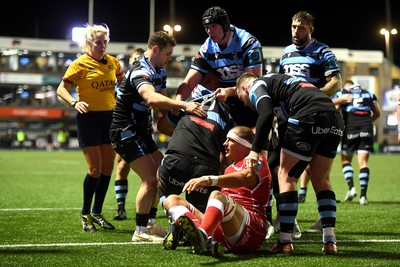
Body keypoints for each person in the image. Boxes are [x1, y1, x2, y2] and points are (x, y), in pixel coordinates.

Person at [109, 31, 207, 242]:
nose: (170, 58)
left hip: (141, 130)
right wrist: (184, 104)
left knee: (161, 174)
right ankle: (140, 231)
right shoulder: (140, 70)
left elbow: (163, 105)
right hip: (125, 130)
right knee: (150, 179)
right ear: (155, 50)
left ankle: (150, 224)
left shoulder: (159, 70)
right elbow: (151, 98)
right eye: (168, 53)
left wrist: (183, 117)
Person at [236, 72, 343, 255]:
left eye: (242, 98)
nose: (246, 104)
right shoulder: (284, 88)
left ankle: (285, 241)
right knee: (321, 179)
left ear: (245, 88)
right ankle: (330, 241)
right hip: (333, 115)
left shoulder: (257, 84)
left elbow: (266, 113)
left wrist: (254, 151)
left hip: (308, 113)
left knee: (286, 176)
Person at [278, 10, 342, 235]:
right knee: (284, 170)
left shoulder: (322, 50)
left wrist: (315, 98)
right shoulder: (285, 53)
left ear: (311, 29)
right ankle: (318, 229)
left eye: (302, 27)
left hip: (311, 117)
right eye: (294, 26)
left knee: (301, 174)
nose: (297, 31)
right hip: (290, 118)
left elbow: (336, 82)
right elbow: (280, 84)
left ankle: (288, 231)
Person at [56, 23, 124, 232]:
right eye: (98, 42)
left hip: (110, 118)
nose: (102, 46)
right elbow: (61, 89)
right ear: (89, 43)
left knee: (107, 169)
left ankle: (97, 212)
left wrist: (123, 99)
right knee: (94, 170)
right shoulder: (80, 64)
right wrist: (74, 102)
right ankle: (85, 213)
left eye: (105, 42)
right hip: (88, 118)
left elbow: (122, 83)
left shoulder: (113, 63)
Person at [162, 126, 271, 255]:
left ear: (244, 145)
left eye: (230, 140)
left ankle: (201, 235)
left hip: (251, 231)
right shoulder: (229, 168)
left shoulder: (258, 161)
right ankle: (203, 239)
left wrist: (208, 180)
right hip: (224, 231)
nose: (225, 144)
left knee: (217, 195)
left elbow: (246, 177)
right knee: (171, 200)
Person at [175, 6, 264, 128]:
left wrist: (228, 91)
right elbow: (188, 83)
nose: (209, 31)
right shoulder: (207, 48)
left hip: (247, 97)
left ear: (225, 25)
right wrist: (178, 104)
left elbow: (253, 83)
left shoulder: (247, 42)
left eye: (213, 26)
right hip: (224, 98)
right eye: (206, 27)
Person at [332, 80, 381, 205]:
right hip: (367, 128)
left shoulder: (342, 93)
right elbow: (377, 113)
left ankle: (351, 188)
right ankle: (363, 196)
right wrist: (367, 122)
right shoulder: (369, 94)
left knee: (346, 160)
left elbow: (335, 109)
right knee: (363, 162)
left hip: (350, 129)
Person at [113, 47, 145, 221]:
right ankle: (121, 208)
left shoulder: (148, 77)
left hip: (143, 129)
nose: (137, 61)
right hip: (125, 130)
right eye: (134, 58)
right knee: (122, 166)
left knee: (152, 171)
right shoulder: (123, 82)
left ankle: (153, 208)